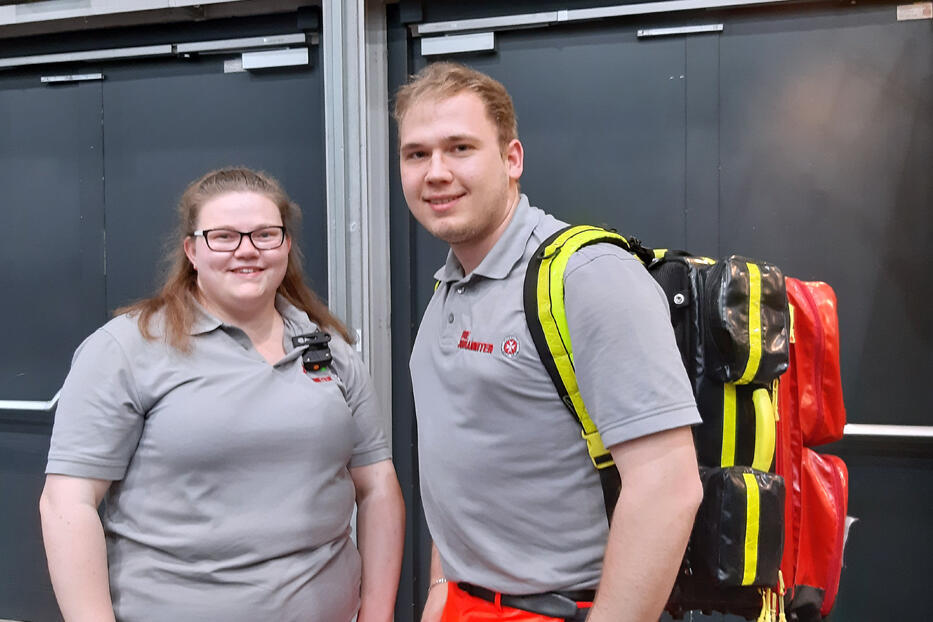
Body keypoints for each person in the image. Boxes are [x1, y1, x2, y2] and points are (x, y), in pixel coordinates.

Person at [394, 62, 704, 622]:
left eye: (460, 148)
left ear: (511, 159)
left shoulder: (588, 276)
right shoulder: (450, 286)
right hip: (465, 603)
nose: (435, 172)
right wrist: (442, 584)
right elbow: (467, 461)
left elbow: (668, 487)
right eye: (417, 154)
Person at [39, 167, 404, 622]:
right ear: (191, 250)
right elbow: (67, 503)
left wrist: (377, 614)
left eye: (265, 235)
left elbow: (377, 487)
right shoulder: (126, 349)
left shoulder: (330, 349)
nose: (247, 250)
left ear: (286, 245)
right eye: (224, 237)